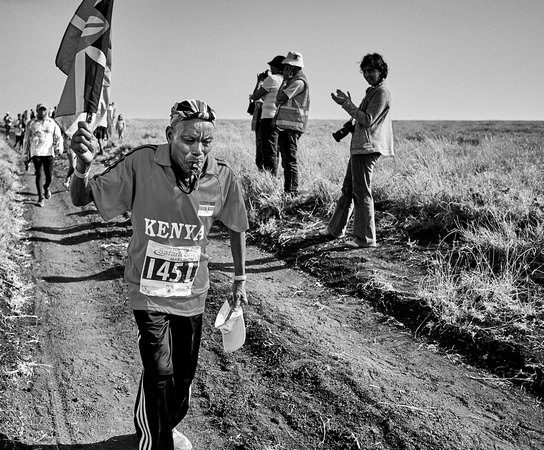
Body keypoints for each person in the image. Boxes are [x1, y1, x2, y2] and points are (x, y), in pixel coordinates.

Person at [69, 99, 249, 450]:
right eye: (188, 141)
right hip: (147, 289)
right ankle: (156, 441)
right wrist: (82, 166)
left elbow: (237, 225)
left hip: (192, 293)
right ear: (170, 135)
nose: (198, 150)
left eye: (206, 143)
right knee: (160, 371)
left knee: (182, 377)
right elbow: (79, 198)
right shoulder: (141, 163)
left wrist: (240, 280)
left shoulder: (221, 176)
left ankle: (156, 422)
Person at [320, 53, 393, 248]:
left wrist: (347, 105)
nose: (367, 75)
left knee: (361, 192)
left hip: (366, 148)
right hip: (360, 148)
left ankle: (365, 239)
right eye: (365, 71)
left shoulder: (382, 92)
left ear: (381, 70)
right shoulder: (373, 90)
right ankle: (335, 229)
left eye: (371, 71)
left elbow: (368, 119)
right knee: (349, 189)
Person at [275, 51, 310, 196]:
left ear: (292, 67)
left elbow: (280, 98)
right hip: (288, 126)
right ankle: (289, 191)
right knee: (287, 161)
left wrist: (284, 80)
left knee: (289, 161)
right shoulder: (294, 81)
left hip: (292, 126)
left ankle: (291, 191)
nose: (284, 69)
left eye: (287, 66)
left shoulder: (298, 82)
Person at [23, 103, 63, 207]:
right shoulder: (31, 123)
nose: (42, 112)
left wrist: (59, 147)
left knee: (49, 175)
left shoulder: (52, 122)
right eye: (40, 110)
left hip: (49, 152)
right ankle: (40, 198)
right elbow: (26, 139)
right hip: (36, 152)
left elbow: (58, 136)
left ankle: (46, 187)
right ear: (37, 111)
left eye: (44, 110)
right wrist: (25, 154)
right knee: (39, 174)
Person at [250, 56, 284, 176]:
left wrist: (260, 82)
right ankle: (276, 175)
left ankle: (270, 178)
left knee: (268, 150)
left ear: (275, 67)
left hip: (268, 117)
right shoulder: (287, 80)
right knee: (277, 150)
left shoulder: (271, 79)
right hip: (281, 118)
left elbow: (255, 96)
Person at [248, 71, 267, 170]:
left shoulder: (269, 88)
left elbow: (255, 96)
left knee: (263, 152)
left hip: (265, 122)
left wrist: (259, 82)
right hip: (261, 123)